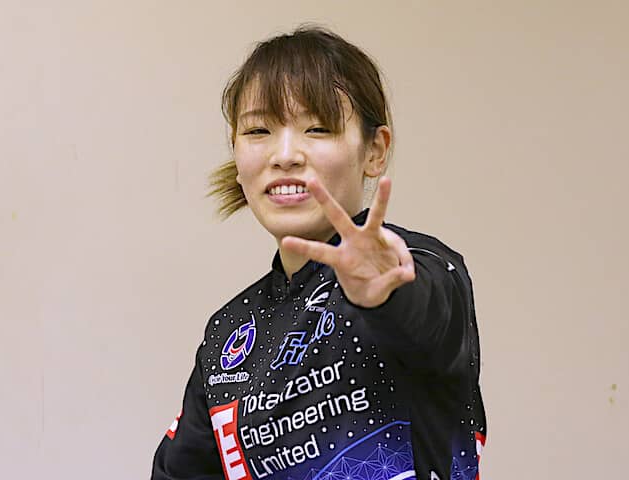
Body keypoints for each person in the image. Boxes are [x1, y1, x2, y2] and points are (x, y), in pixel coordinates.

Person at [151, 26, 486, 480]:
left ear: (375, 151)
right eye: (258, 130)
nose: (285, 155)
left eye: (317, 128)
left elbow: (426, 313)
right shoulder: (227, 331)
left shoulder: (421, 265)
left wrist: (383, 293)